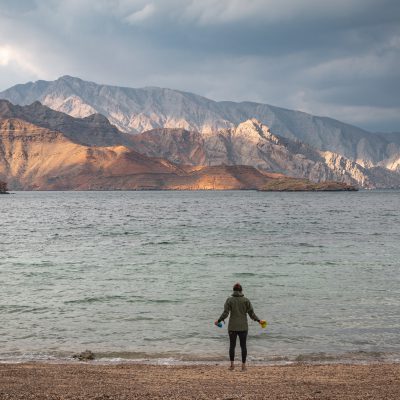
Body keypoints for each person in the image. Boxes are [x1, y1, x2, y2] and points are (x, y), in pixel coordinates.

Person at [215, 282, 265, 371]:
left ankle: (232, 365)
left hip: (232, 327)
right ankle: (243, 366)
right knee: (243, 346)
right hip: (243, 327)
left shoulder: (229, 300)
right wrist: (259, 320)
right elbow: (251, 314)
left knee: (232, 346)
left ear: (233, 290)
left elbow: (225, 313)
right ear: (241, 290)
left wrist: (218, 321)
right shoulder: (246, 300)